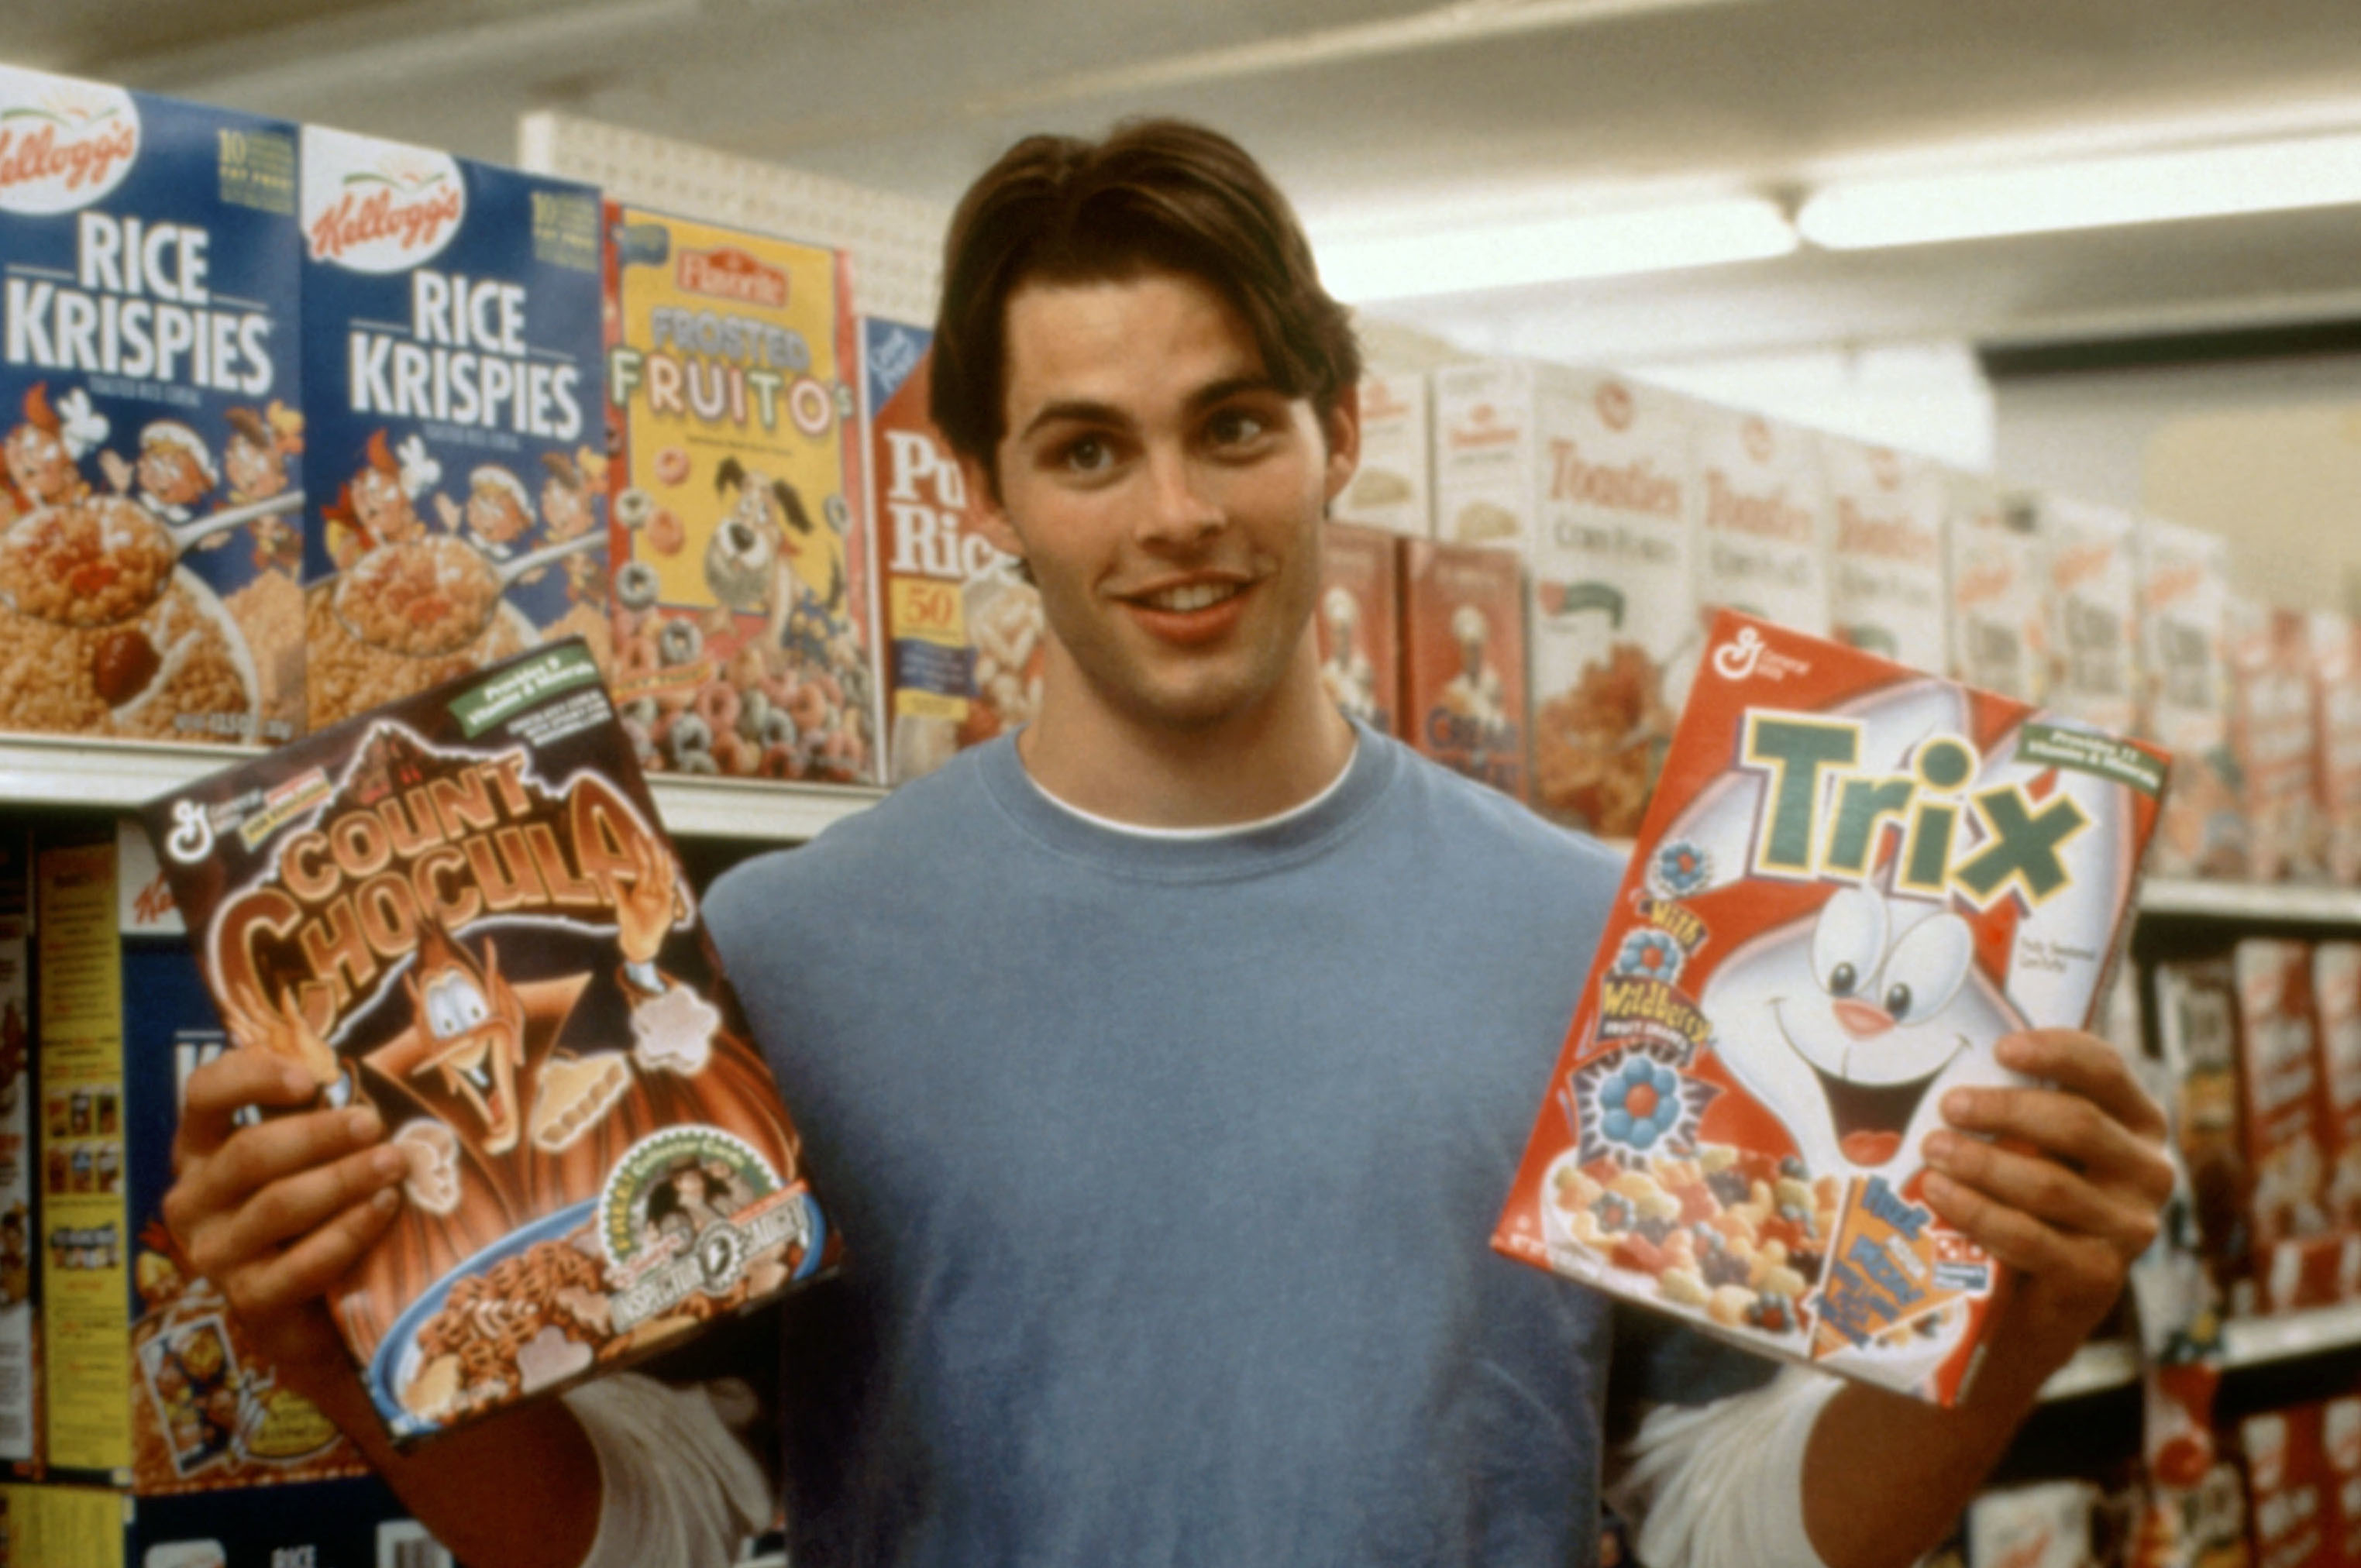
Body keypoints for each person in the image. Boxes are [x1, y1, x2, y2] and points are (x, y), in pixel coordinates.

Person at [160, 119, 2173, 1568]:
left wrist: (2008, 1335)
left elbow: (1728, 1523)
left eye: (1234, 425)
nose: (1175, 515)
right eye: (1086, 450)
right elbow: (662, 1525)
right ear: (982, 492)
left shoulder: (1612, 941)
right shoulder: (779, 956)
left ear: (1339, 433)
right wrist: (344, 1353)